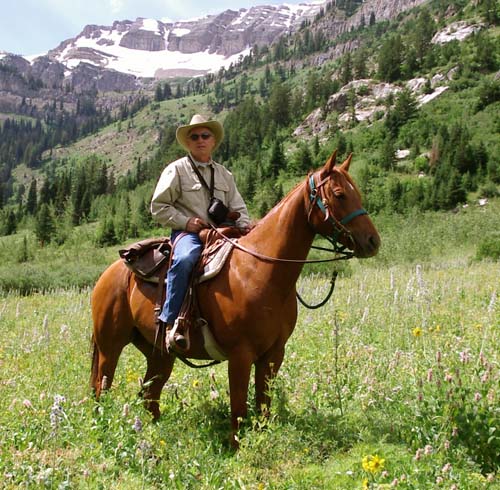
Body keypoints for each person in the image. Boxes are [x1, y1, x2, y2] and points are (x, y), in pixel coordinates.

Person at [151, 114, 250, 350]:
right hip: (189, 235)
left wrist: (245, 228)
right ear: (188, 142)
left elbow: (239, 208)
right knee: (185, 259)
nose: (200, 140)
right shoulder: (176, 170)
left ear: (213, 140)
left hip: (223, 233)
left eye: (205, 135)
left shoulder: (225, 175)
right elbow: (158, 207)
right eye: (194, 136)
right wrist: (186, 222)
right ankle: (171, 320)